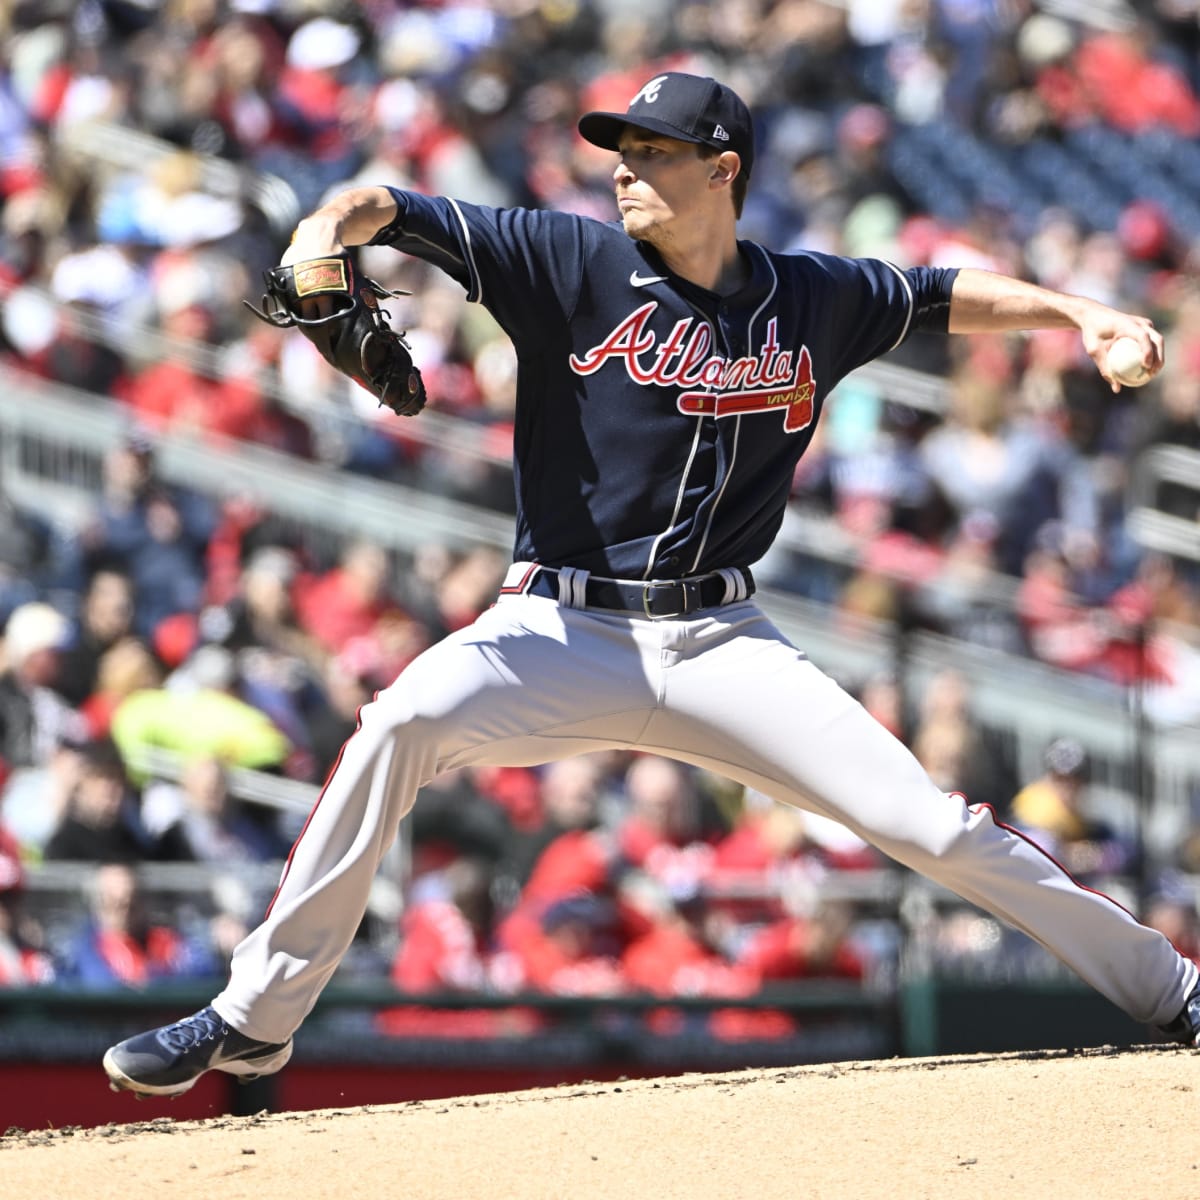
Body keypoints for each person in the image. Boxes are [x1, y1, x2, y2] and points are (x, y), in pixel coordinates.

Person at [103, 71, 1199, 1100]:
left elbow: (943, 294)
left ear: (724, 171)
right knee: (396, 726)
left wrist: (1081, 314)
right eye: (618, 149)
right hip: (557, 629)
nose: (623, 168)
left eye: (652, 151)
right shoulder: (565, 261)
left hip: (725, 641)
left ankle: (1173, 990)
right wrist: (313, 239)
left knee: (935, 827)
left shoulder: (809, 298)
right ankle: (255, 1017)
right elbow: (373, 203)